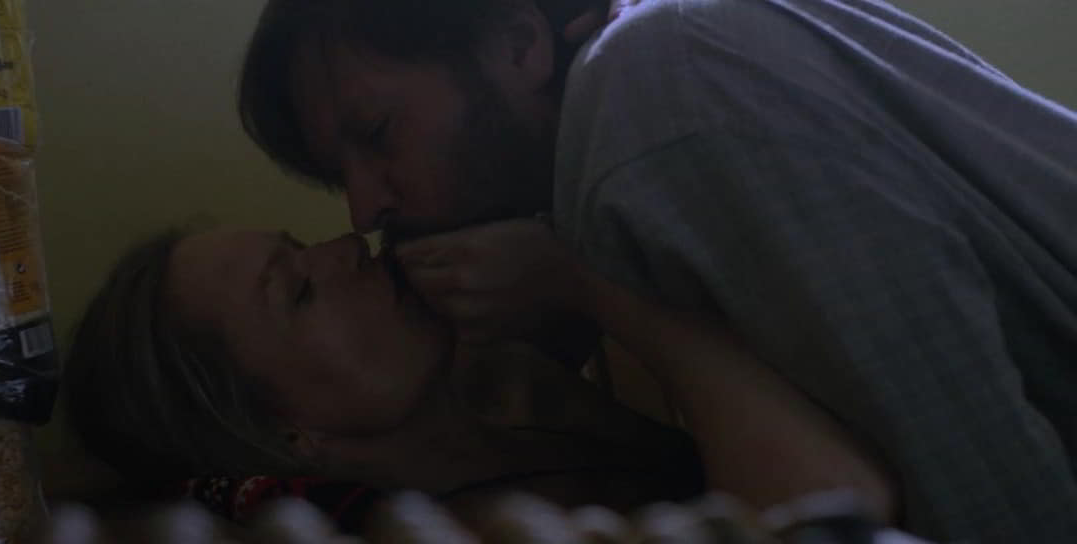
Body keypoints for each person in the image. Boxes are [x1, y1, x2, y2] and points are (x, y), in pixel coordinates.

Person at [235, 0, 1077, 540]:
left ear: (519, 46)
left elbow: (984, 493)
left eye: (378, 134)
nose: (362, 211)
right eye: (340, 173)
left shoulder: (654, 89)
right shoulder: (632, 121)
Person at [63, 227, 894, 530]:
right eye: (300, 291)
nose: (347, 246)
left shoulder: (531, 390)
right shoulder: (476, 529)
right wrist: (595, 283)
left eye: (302, 245)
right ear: (286, 433)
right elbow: (837, 516)